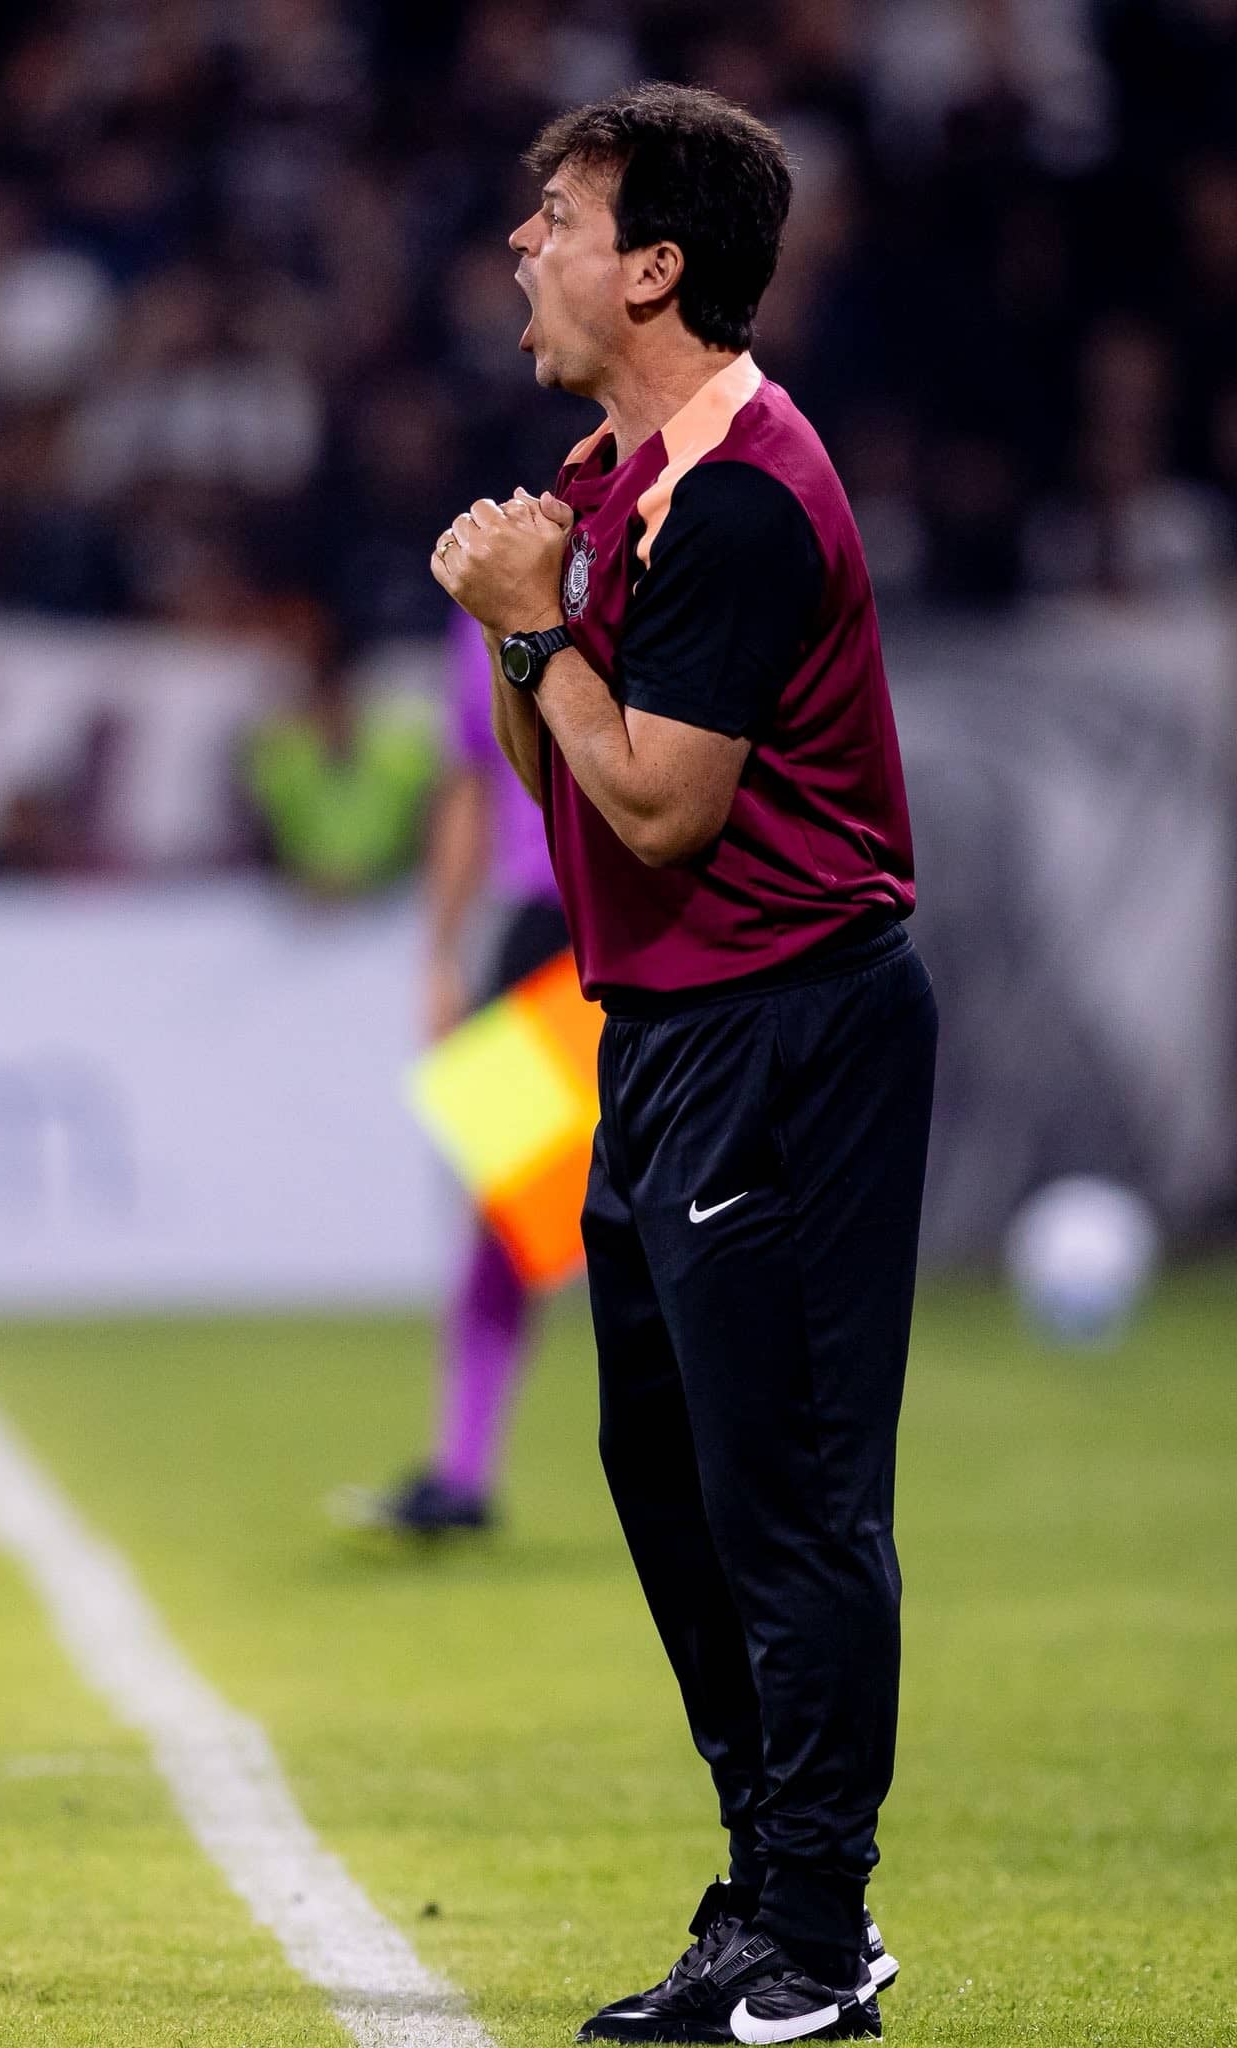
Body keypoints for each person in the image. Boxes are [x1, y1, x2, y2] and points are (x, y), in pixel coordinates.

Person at [430, 84, 935, 2046]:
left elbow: (659, 808)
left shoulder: (732, 494)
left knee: (788, 1494)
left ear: (656, 262)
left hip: (787, 1028)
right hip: (661, 1035)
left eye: (552, 217)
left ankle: (815, 1932)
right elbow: (560, 773)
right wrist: (518, 638)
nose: (519, 248)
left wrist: (530, 622)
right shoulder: (620, 476)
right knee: (673, 1478)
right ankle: (767, 1889)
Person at [350, 605, 568, 1537]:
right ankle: (462, 1472)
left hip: (652, 910)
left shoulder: (655, 549)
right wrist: (441, 953)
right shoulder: (483, 593)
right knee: (507, 1209)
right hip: (538, 926)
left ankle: (735, 1470)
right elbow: (472, 782)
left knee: (669, 1211)